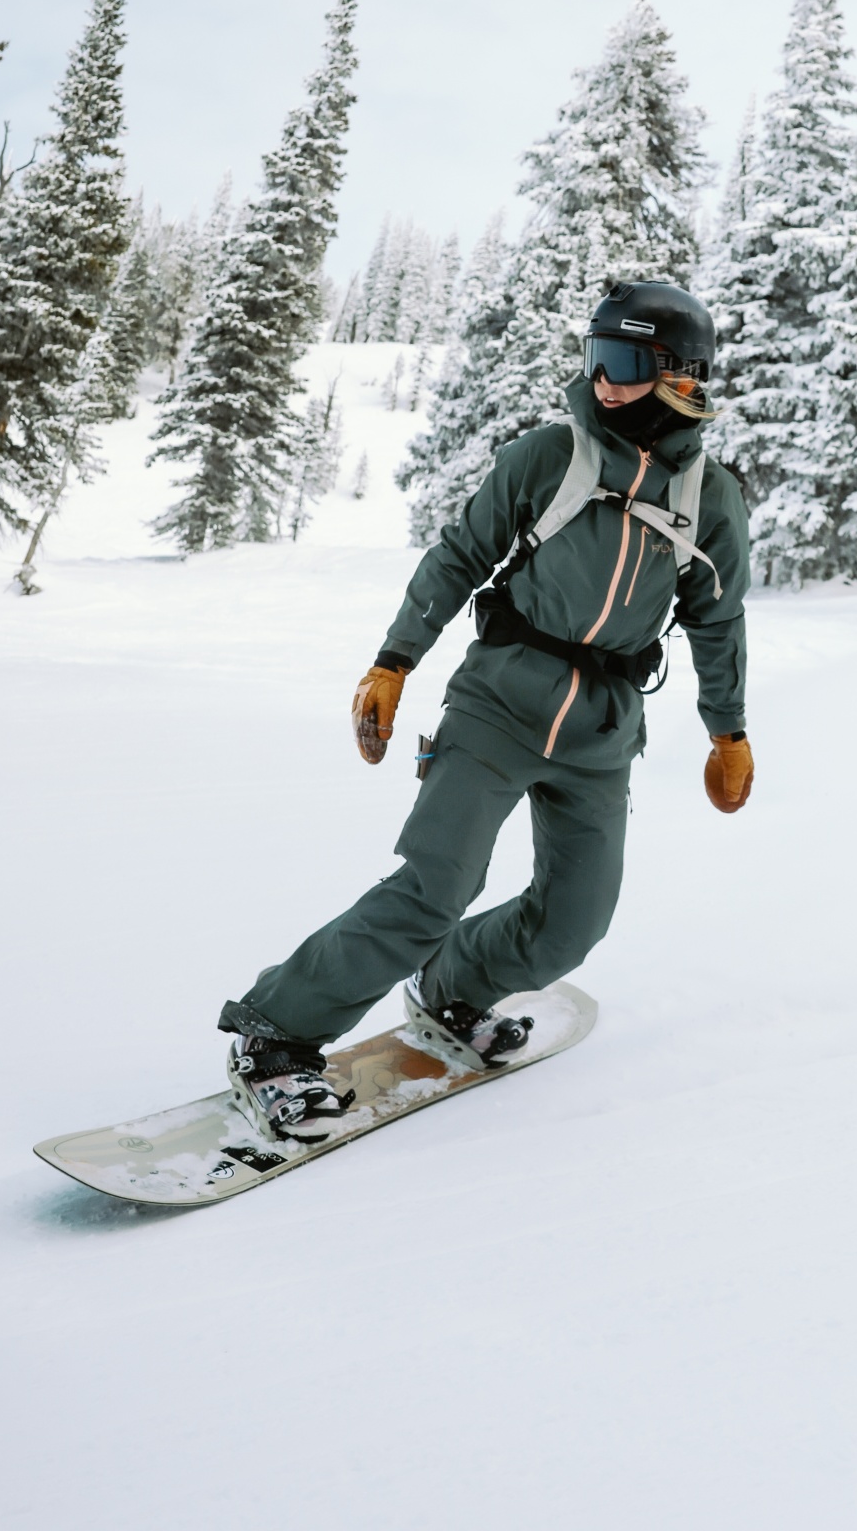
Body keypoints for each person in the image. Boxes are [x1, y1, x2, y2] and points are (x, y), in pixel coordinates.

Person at [219, 279, 753, 1140]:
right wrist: (393, 663)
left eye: (622, 363)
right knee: (436, 889)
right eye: (596, 360)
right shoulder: (549, 456)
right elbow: (458, 556)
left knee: (576, 920)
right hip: (499, 703)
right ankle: (275, 1032)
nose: (603, 382)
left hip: (604, 730)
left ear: (682, 375)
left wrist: (727, 730)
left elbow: (718, 619)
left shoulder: (712, 497)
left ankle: (454, 988)